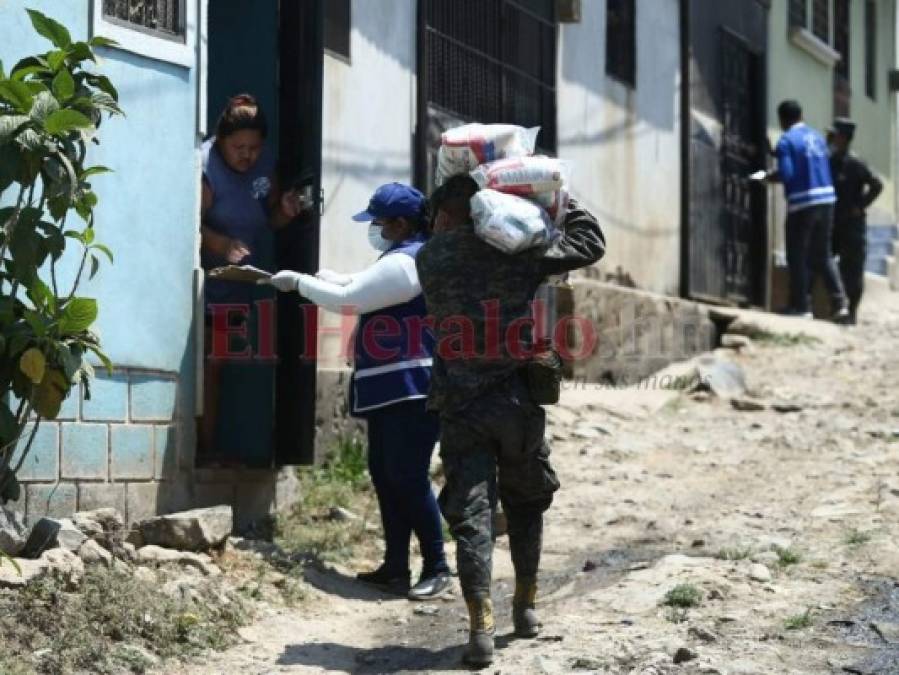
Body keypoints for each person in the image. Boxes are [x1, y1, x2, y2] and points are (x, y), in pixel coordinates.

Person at [415, 175, 605, 666]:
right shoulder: (519, 252)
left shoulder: (429, 258)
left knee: (471, 515)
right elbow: (591, 243)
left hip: (460, 406)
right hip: (517, 401)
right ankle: (526, 607)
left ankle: (481, 626)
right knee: (526, 502)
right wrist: (560, 197)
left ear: (446, 216)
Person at [266, 183, 452, 601]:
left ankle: (437, 565)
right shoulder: (398, 258)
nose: (375, 230)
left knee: (408, 477)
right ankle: (396, 567)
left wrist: (299, 284)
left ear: (401, 224)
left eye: (379, 222)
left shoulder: (408, 263)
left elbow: (350, 299)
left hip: (411, 388)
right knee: (387, 477)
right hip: (391, 387)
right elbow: (355, 282)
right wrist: (319, 278)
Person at [199, 94, 305, 459]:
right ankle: (203, 450)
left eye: (254, 148)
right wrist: (220, 242)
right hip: (203, 284)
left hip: (239, 284)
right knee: (209, 366)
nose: (246, 155)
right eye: (238, 147)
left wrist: (286, 211)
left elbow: (268, 218)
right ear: (221, 142)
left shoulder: (264, 168)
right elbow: (185, 223)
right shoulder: (206, 168)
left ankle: (209, 448)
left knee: (220, 365)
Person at [755, 100, 849, 321]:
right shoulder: (816, 137)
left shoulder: (787, 141)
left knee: (796, 255)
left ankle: (802, 307)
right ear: (801, 115)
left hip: (802, 204)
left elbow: (787, 174)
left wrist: (765, 177)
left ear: (782, 119)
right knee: (823, 254)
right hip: (826, 200)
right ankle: (840, 304)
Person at [828, 118, 883, 324]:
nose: (832, 139)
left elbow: (876, 185)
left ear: (844, 138)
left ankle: (851, 311)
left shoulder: (856, 163)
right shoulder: (829, 160)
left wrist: (860, 206)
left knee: (853, 269)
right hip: (832, 222)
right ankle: (832, 307)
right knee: (825, 264)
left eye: (835, 135)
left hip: (852, 225)